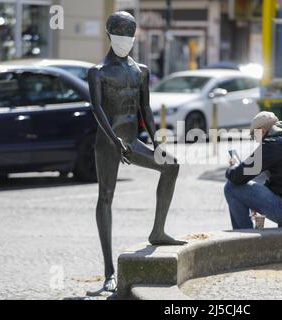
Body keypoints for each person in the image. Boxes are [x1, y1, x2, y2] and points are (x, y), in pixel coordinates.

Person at [87, 11, 186, 293]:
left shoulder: (140, 70)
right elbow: (97, 110)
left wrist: (156, 142)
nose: (125, 42)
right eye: (119, 36)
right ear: (108, 35)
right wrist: (115, 141)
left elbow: (146, 110)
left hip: (133, 141)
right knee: (106, 197)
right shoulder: (98, 71)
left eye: (129, 36)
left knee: (171, 166)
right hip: (108, 143)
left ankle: (158, 231)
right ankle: (108, 272)